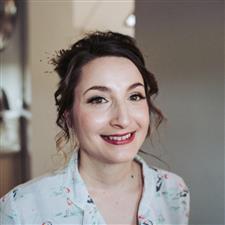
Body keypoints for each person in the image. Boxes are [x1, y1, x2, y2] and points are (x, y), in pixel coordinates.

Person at [0, 31, 190, 225]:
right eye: (98, 99)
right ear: (68, 117)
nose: (123, 119)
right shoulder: (21, 209)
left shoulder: (173, 191)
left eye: (135, 96)